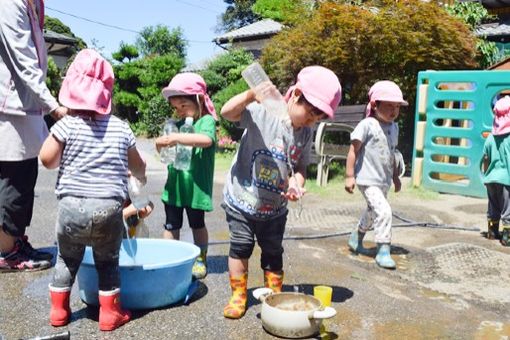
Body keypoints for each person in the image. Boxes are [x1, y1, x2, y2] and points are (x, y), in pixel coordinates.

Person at [220, 66, 342, 319]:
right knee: (241, 247)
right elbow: (227, 113)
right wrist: (250, 95)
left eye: (317, 119)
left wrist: (297, 184)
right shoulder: (263, 112)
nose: (310, 121)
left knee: (273, 251)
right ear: (296, 94)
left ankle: (274, 295)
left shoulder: (305, 134)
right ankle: (238, 295)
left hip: (274, 207)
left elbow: (299, 167)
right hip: (242, 198)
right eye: (310, 113)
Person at [39, 49, 146, 331]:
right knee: (108, 262)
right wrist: (140, 176)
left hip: (72, 209)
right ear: (106, 95)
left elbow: (46, 160)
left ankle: (59, 312)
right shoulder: (121, 128)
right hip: (108, 209)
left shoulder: (66, 126)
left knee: (66, 258)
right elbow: (138, 165)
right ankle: (110, 315)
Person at [0, 0, 68, 272]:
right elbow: (23, 58)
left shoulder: (33, 4)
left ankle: (14, 242)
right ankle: (6, 252)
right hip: (10, 107)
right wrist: (54, 106)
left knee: (26, 173)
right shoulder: (10, 3)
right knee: (13, 178)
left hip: (28, 107)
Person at [155, 73, 217, 279]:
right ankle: (168, 258)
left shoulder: (206, 121)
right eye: (176, 107)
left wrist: (176, 137)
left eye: (184, 105)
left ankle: (200, 257)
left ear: (199, 100)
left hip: (196, 188)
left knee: (197, 224)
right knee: (171, 225)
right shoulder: (175, 125)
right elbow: (165, 154)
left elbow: (206, 140)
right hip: (175, 187)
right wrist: (160, 144)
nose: (180, 111)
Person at [345, 80, 408, 270]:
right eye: (388, 105)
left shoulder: (394, 127)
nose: (393, 110)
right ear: (375, 105)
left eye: (397, 106)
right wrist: (349, 175)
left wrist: (396, 177)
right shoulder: (367, 125)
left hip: (384, 180)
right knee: (384, 211)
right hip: (367, 179)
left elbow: (392, 153)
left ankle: (356, 239)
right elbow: (353, 151)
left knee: (372, 212)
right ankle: (383, 250)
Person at [482, 95, 510, 246]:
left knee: (493, 205)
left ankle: (492, 232)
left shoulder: (491, 138)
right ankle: (507, 237)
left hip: (491, 178)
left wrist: (486, 175)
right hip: (506, 179)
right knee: (507, 207)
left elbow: (485, 158)